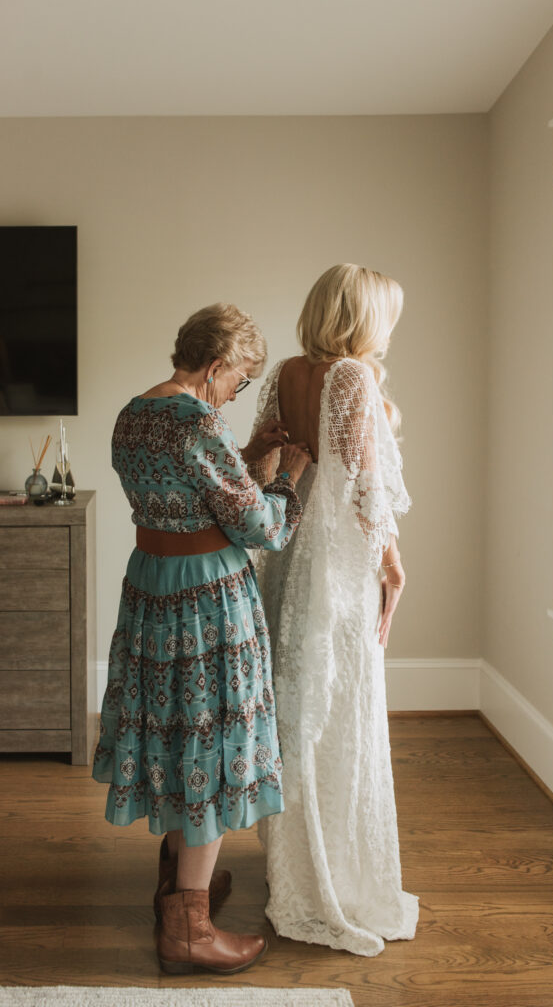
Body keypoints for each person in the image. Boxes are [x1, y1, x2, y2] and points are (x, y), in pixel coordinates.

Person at [92, 302, 311, 975]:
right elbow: (262, 529)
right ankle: (187, 926)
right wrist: (288, 477)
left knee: (175, 725)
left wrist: (246, 454)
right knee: (212, 738)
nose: (237, 393)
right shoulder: (199, 423)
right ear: (215, 367)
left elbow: (183, 493)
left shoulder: (133, 415)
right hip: (206, 597)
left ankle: (179, 881)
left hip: (152, 585)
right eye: (239, 380)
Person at [249, 264, 419, 956]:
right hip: (337, 563)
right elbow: (362, 484)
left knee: (297, 704)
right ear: (362, 316)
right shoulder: (353, 376)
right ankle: (333, 875)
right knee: (339, 702)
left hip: (292, 549)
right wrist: (390, 560)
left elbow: (264, 456)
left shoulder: (288, 372)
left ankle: (293, 858)